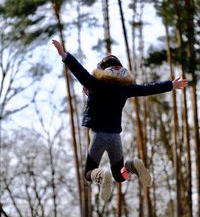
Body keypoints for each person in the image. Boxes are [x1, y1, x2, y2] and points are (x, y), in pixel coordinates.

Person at [52, 39, 188, 202]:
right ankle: (133, 166)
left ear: (101, 70)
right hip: (115, 137)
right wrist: (171, 85)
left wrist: (64, 55)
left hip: (98, 136)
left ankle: (101, 175)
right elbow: (147, 88)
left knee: (89, 173)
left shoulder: (94, 84)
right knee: (120, 174)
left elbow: (79, 71)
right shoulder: (125, 89)